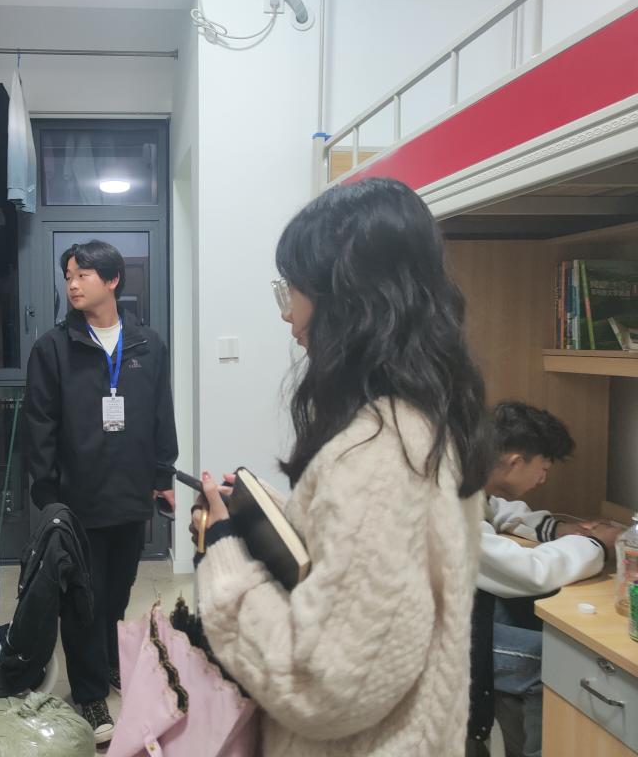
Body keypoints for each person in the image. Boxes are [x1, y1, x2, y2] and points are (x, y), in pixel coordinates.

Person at [190, 177, 492, 756]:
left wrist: (223, 554)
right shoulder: (427, 420)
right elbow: (367, 566)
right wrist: (271, 516)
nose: (289, 319)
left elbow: (321, 685)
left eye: (294, 293)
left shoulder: (381, 455)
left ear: (347, 302)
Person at [24, 239, 178, 743]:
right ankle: (89, 692)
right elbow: (40, 424)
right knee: (82, 599)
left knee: (117, 590)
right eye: (68, 275)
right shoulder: (54, 348)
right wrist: (48, 492)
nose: (72, 284)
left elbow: (161, 412)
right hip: (78, 496)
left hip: (131, 491)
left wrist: (163, 476)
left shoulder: (147, 344)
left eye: (83, 275)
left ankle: (111, 661)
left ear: (112, 281)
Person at [468, 400, 621, 757]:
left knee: (533, 624)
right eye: (543, 468)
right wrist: (597, 544)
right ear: (514, 462)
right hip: (431, 635)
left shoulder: (467, 477)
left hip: (455, 607)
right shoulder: (449, 504)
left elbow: (496, 510)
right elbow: (531, 572)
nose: (543, 480)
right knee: (550, 659)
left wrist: (559, 529)